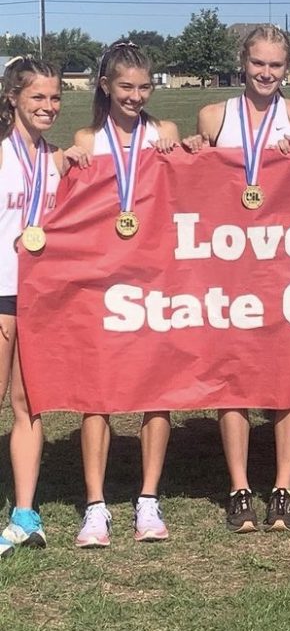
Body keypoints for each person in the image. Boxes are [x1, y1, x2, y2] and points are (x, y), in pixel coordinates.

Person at [197, 24, 290, 533]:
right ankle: (239, 486)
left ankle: (284, 487)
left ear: (287, 68)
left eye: (275, 65)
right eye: (258, 64)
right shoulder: (212, 116)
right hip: (228, 264)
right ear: (242, 64)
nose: (266, 73)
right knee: (234, 371)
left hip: (285, 263)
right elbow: (193, 187)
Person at [72, 42, 193, 548]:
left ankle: (148, 499)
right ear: (105, 87)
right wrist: (69, 162)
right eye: (126, 87)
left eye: (144, 87)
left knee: (156, 389)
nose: (136, 96)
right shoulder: (86, 139)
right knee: (96, 394)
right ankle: (95, 506)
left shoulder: (163, 132)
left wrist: (181, 155)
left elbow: (190, 188)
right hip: (101, 283)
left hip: (155, 279)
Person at [0, 57, 72, 555]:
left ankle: (25, 513)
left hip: (41, 295)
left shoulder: (59, 160)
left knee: (28, 404)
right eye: (37, 98)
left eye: (54, 98)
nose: (48, 106)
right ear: (12, 99)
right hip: (0, 290)